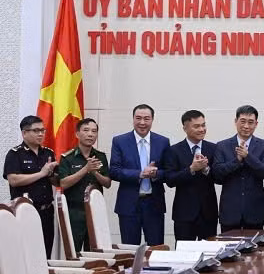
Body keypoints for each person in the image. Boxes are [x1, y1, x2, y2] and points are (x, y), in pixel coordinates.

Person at [109, 104, 170, 245]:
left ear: (152, 120)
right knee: (130, 250)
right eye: (138, 118)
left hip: (154, 203)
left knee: (156, 249)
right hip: (128, 203)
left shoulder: (162, 142)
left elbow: (168, 171)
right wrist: (140, 174)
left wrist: (155, 174)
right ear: (133, 119)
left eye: (146, 119)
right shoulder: (120, 141)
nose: (142, 123)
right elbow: (114, 170)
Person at [3, 115, 59, 257]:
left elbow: (56, 182)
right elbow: (13, 180)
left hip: (46, 211)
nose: (40, 134)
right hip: (25, 211)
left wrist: (52, 174)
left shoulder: (48, 153)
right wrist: (41, 173)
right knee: (26, 254)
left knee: (45, 253)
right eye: (36, 130)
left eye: (42, 130)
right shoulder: (15, 154)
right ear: (24, 133)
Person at [213, 105, 264, 232]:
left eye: (251, 122)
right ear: (235, 121)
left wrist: (248, 157)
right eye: (243, 121)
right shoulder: (222, 146)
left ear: (256, 124)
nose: (246, 126)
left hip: (255, 209)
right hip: (230, 210)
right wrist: (237, 161)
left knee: (256, 250)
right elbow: (217, 174)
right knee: (228, 249)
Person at [163, 110, 218, 241]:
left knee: (210, 254)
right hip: (184, 213)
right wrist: (191, 169)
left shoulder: (213, 148)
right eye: (196, 126)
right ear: (185, 128)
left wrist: (206, 169)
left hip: (208, 212)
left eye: (203, 125)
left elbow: (219, 177)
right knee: (184, 255)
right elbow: (170, 180)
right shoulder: (173, 150)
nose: (202, 129)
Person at [58, 118, 111, 252]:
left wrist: (95, 173)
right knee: (73, 252)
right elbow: (63, 183)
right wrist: (85, 169)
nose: (90, 134)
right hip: (74, 211)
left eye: (94, 131)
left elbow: (107, 183)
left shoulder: (101, 156)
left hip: (95, 211)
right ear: (77, 134)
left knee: (95, 252)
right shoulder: (67, 157)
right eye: (86, 130)